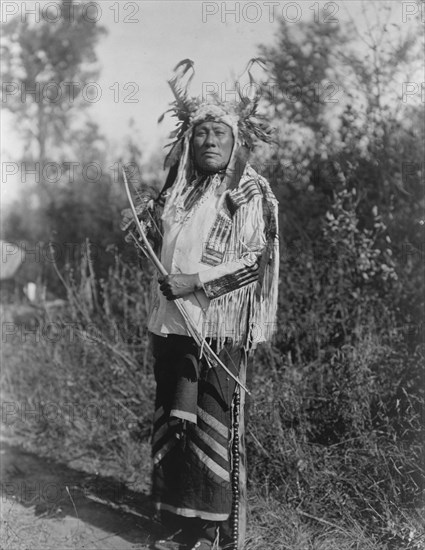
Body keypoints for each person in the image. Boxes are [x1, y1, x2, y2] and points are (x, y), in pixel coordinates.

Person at [121, 60, 279, 550]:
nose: (209, 141)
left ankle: (211, 533)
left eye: (219, 134)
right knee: (173, 424)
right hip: (171, 326)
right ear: (190, 140)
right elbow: (162, 247)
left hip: (218, 331)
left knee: (211, 426)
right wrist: (141, 229)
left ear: (236, 144)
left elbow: (257, 261)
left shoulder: (248, 191)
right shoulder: (177, 192)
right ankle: (175, 523)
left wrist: (195, 281)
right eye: (202, 133)